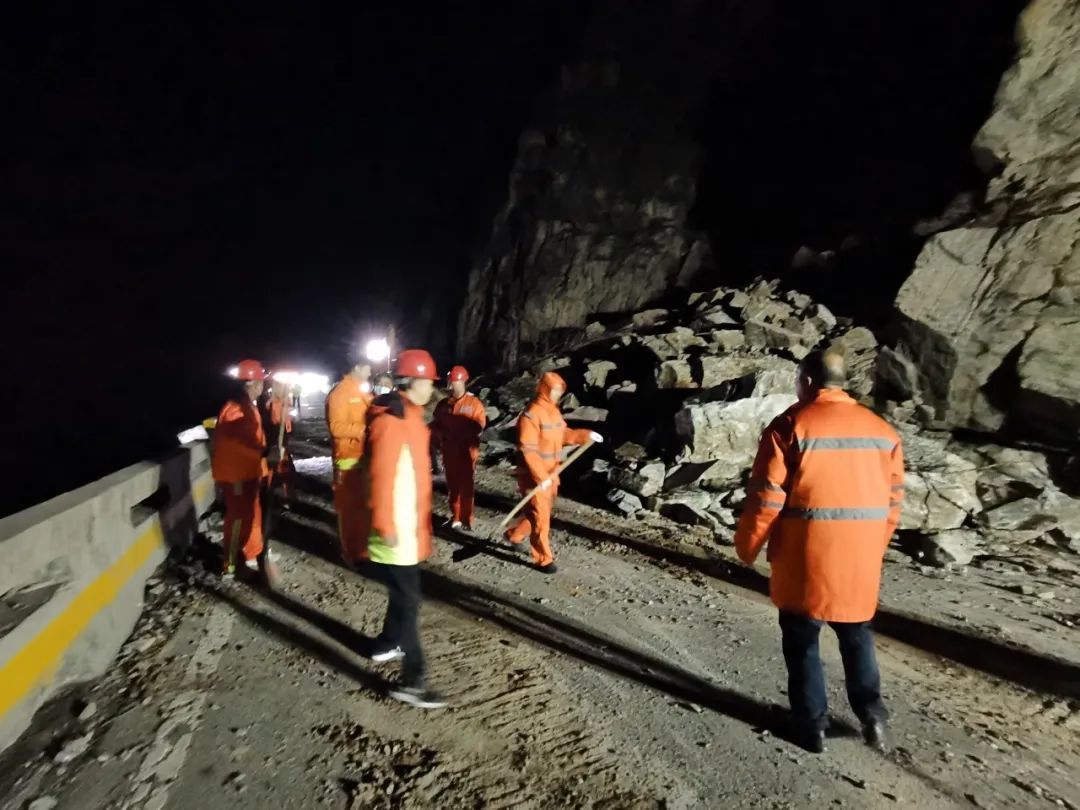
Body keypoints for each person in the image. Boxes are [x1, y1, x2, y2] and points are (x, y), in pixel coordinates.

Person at [733, 350, 904, 754]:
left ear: (808, 381)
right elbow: (893, 502)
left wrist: (747, 546)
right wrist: (873, 547)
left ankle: (811, 726)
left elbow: (766, 498)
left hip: (807, 557)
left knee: (802, 641)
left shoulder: (790, 425)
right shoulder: (882, 431)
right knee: (857, 636)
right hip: (859, 559)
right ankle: (873, 717)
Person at [349, 349, 445, 709]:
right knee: (409, 602)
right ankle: (413, 682)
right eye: (429, 382)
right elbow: (381, 476)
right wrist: (385, 524)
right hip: (396, 531)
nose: (432, 388)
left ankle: (386, 643)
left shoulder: (411, 417)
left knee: (404, 597)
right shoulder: (392, 421)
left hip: (408, 527)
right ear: (413, 382)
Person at [507, 372, 602, 573]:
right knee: (541, 519)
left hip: (552, 473)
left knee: (538, 513)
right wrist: (540, 476)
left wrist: (585, 435)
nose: (557, 394)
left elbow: (563, 434)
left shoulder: (553, 412)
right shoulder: (531, 415)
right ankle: (543, 559)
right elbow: (528, 449)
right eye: (554, 391)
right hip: (533, 476)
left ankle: (515, 535)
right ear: (544, 389)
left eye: (560, 391)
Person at [211, 359, 279, 582]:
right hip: (237, 476)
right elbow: (237, 442)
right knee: (238, 519)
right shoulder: (236, 409)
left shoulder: (247, 406)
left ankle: (251, 553)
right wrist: (263, 453)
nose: (263, 386)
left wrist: (265, 462)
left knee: (252, 515)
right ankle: (230, 563)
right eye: (262, 382)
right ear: (255, 383)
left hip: (248, 472)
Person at [325, 358, 373, 559]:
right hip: (347, 459)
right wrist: (365, 430)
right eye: (367, 369)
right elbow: (336, 427)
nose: (369, 373)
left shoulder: (361, 391)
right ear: (357, 367)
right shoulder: (340, 394)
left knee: (363, 507)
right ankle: (351, 552)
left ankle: (362, 549)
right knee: (348, 510)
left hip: (364, 456)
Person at [431, 365, 487, 530]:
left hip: (467, 451)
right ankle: (456, 516)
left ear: (463, 382)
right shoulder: (443, 405)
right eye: (451, 382)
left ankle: (467, 518)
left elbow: (479, 425)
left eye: (455, 382)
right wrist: (438, 437)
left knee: (466, 486)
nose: (452, 385)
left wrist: (461, 434)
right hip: (449, 450)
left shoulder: (474, 403)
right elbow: (435, 425)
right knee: (453, 485)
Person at [263, 373, 297, 504]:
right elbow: (276, 422)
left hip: (283, 440)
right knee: (281, 470)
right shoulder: (274, 404)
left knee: (284, 470)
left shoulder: (285, 402)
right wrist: (284, 414)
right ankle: (282, 498)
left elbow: (289, 423)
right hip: (277, 442)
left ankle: (285, 496)